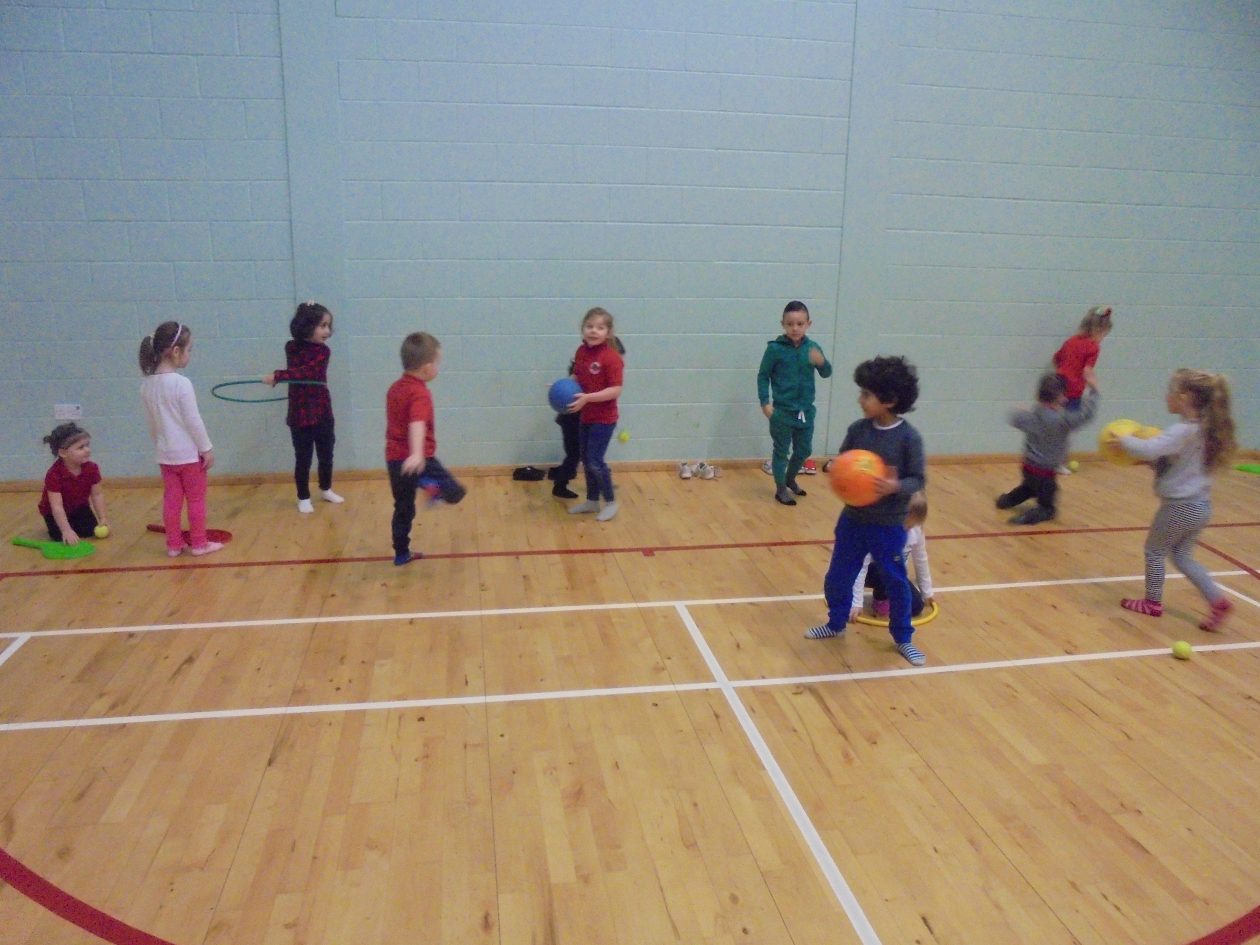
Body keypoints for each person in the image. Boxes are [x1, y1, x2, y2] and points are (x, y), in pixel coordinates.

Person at [805, 356, 928, 667]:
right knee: (837, 577)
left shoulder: (909, 438)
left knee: (895, 582)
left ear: (889, 400)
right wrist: (836, 469)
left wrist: (895, 486)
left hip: (888, 527)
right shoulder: (858, 430)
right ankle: (835, 623)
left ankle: (903, 638)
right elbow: (844, 462)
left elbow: (918, 479)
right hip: (852, 521)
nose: (860, 399)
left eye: (867, 394)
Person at [1110, 368, 1237, 631]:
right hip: (1200, 507)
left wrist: (1125, 441)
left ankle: (1152, 603)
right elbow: (1175, 465)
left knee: (1154, 551)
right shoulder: (1204, 431)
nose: (1166, 396)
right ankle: (1218, 601)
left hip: (1179, 507)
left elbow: (1150, 448)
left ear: (1185, 397)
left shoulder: (1183, 430)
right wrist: (1149, 462)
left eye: (1170, 391)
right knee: (1182, 556)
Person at [139, 322, 222, 557]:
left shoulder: (146, 386)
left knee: (171, 501)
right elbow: (193, 420)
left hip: (165, 455)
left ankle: (173, 545)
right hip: (188, 456)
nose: (190, 354)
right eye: (189, 349)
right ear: (176, 351)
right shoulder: (181, 383)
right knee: (196, 500)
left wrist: (160, 445)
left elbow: (152, 424)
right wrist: (206, 448)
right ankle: (199, 544)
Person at [385, 332, 466, 566]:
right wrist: (418, 454)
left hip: (394, 460)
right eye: (437, 363)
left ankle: (401, 553)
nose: (438, 368)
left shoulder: (395, 388)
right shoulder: (420, 393)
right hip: (420, 459)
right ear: (427, 368)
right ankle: (428, 484)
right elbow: (416, 423)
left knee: (403, 507)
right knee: (455, 492)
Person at [264, 300, 343, 513]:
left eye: (328, 326)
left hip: (322, 411)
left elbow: (307, 372)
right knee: (303, 457)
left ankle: (326, 488)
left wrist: (278, 376)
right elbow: (297, 371)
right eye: (322, 326)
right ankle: (303, 496)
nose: (327, 331)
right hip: (300, 413)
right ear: (307, 326)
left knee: (326, 453)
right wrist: (281, 376)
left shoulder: (323, 352)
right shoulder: (291, 347)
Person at [996, 372, 1099, 525]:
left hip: (1028, 467)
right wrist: (1094, 391)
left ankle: (1006, 501)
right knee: (1048, 506)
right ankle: (1031, 516)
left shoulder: (1031, 415)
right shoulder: (1062, 421)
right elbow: (1086, 414)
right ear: (1060, 398)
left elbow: (1014, 417)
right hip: (1045, 474)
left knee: (1029, 488)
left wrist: (1021, 411)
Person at [757, 300, 832, 505]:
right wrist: (765, 403)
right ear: (783, 324)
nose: (795, 328)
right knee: (781, 451)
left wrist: (822, 362)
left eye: (800, 324)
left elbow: (826, 372)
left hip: (806, 411)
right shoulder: (774, 349)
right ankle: (781, 489)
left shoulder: (813, 348)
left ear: (808, 324)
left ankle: (790, 479)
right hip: (782, 412)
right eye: (790, 324)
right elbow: (763, 376)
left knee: (804, 450)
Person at [549, 334, 627, 500]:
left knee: (591, 455)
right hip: (572, 419)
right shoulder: (585, 369)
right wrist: (559, 388)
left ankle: (601, 482)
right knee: (576, 455)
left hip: (582, 418)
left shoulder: (598, 369)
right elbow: (577, 389)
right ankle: (559, 483)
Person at [565, 307, 624, 522]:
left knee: (595, 461)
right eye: (589, 326)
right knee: (586, 459)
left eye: (600, 327)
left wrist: (588, 398)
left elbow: (615, 390)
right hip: (586, 416)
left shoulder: (612, 358)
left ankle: (610, 502)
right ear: (583, 329)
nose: (593, 331)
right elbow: (577, 376)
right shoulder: (581, 352)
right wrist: (563, 387)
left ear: (608, 333)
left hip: (604, 419)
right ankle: (591, 501)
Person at [850, 491, 932, 620]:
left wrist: (927, 592)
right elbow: (860, 566)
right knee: (886, 569)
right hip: (865, 571)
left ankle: (887, 594)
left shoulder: (916, 530)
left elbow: (921, 559)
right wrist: (856, 602)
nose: (908, 529)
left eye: (912, 525)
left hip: (895, 575)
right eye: (905, 524)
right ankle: (879, 597)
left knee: (916, 607)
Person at [1052, 304, 1112, 472]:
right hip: (1073, 392)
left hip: (1057, 387)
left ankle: (1047, 459)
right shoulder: (1093, 347)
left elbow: (1056, 359)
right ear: (1099, 331)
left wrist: (1064, 371)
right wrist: (1095, 387)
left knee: (1054, 425)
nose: (1102, 339)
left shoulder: (1070, 341)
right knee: (1068, 430)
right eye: (1104, 335)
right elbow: (1087, 371)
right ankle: (1059, 463)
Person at [37, 422, 108, 544]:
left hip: (79, 506)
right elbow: (56, 506)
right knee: (59, 536)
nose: (87, 450)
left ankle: (72, 524)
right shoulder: (54, 474)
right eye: (81, 448)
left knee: (89, 531)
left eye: (87, 445)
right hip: (53, 512)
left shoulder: (92, 468)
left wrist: (103, 518)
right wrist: (66, 530)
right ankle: (63, 526)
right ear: (63, 453)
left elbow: (97, 495)